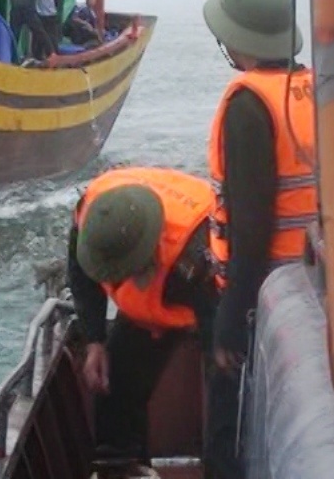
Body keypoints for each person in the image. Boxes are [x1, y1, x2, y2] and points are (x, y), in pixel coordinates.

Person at [202, 0, 317, 477]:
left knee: (227, 427)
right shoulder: (314, 89)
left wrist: (229, 318)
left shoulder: (249, 105)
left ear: (236, 41)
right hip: (314, 286)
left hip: (263, 294)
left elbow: (252, 223)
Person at [67, 167, 220, 470]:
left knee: (225, 402)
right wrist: (95, 340)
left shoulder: (196, 251)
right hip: (143, 313)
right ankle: (120, 466)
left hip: (204, 300)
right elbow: (81, 278)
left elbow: (218, 330)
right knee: (114, 395)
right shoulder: (92, 218)